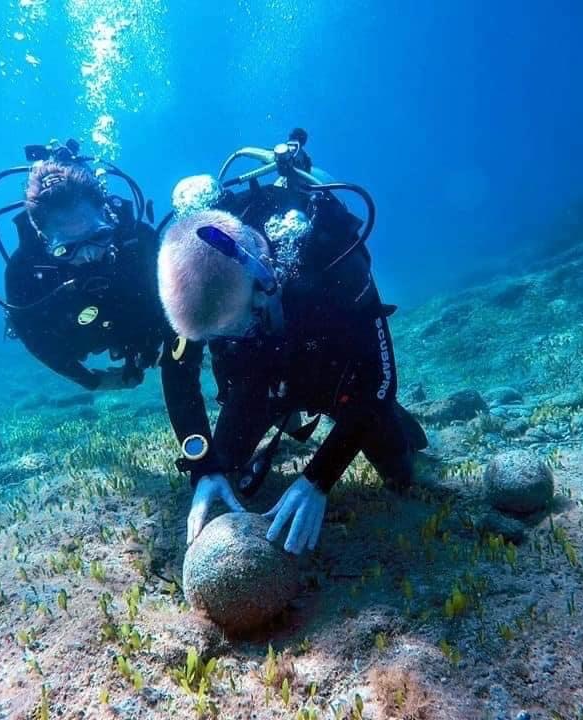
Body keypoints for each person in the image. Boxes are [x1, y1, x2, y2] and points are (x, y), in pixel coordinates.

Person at [157, 131, 427, 555]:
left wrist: (319, 478)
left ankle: (399, 430)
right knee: (223, 465)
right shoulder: (194, 284)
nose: (231, 340)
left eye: (238, 325)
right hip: (259, 382)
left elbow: (379, 378)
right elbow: (176, 369)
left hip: (339, 377)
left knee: (401, 475)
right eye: (215, 338)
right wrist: (203, 466)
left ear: (264, 280)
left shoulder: (330, 258)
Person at [0, 139, 223, 489]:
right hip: (79, 333)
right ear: (42, 236)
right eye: (66, 248)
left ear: (107, 213)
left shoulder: (139, 243)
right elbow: (36, 339)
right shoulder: (24, 271)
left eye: (98, 237)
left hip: (142, 327)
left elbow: (178, 334)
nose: (88, 256)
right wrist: (91, 380)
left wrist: (202, 461)